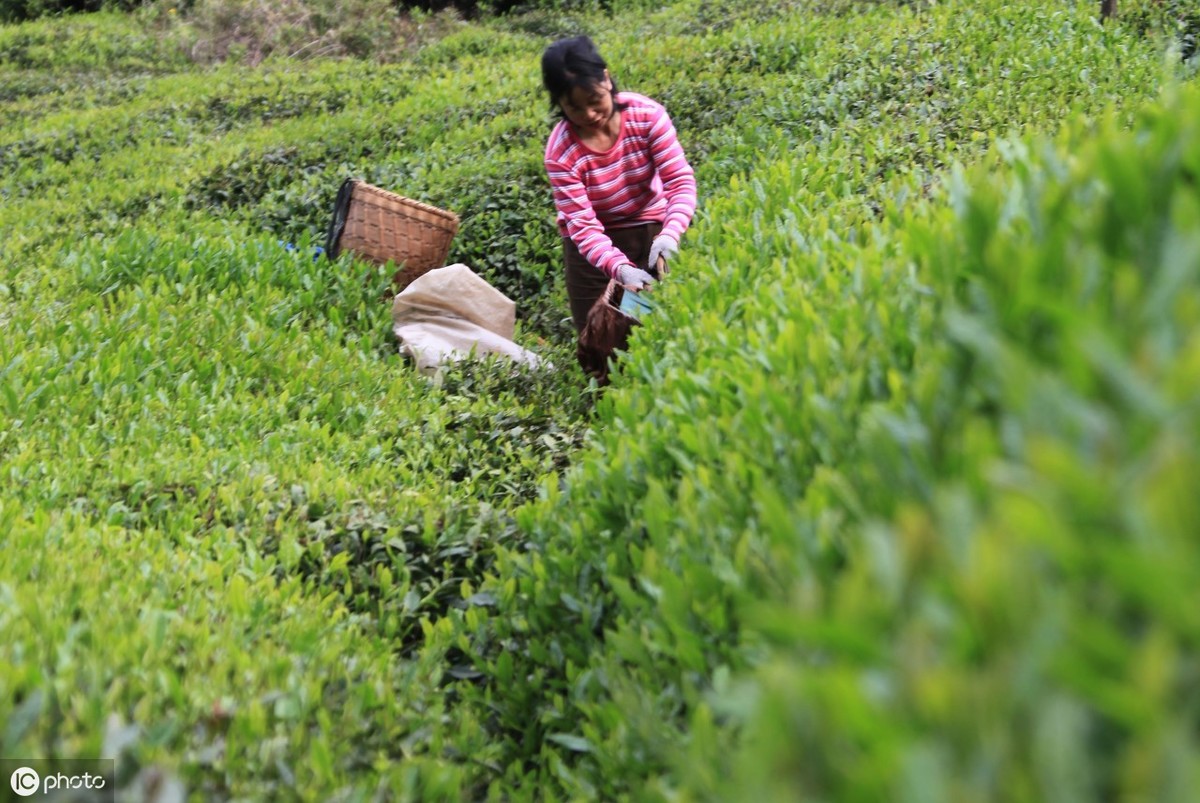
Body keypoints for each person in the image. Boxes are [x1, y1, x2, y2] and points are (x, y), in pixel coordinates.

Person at [541, 35, 698, 331]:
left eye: (594, 100)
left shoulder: (648, 116)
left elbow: (679, 182)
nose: (589, 115)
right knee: (600, 334)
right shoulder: (561, 152)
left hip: (647, 225)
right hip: (589, 249)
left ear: (607, 79)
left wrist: (670, 235)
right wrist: (620, 268)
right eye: (574, 108)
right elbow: (583, 226)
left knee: (662, 320)